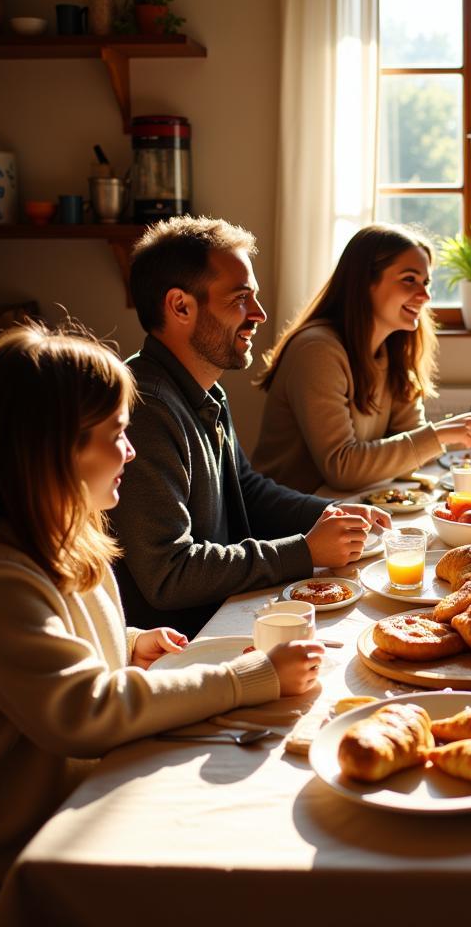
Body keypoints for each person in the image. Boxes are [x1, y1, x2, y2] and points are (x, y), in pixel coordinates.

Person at [0, 324, 324, 922]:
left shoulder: (65, 539)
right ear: (54, 449)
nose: (130, 452)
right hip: (19, 859)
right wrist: (249, 676)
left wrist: (130, 643)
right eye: (116, 435)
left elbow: (73, 643)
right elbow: (83, 711)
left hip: (83, 803)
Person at [110, 216, 389, 638]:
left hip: (226, 612)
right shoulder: (145, 409)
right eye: (240, 298)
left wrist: (330, 514)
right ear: (181, 306)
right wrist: (304, 551)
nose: (259, 314)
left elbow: (247, 491)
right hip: (184, 646)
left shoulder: (205, 392)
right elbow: (168, 573)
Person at [252, 223, 471, 493]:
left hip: (345, 506)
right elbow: (342, 469)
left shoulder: (393, 349)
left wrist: (431, 439)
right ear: (364, 282)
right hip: (292, 517)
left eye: (426, 282)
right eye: (409, 279)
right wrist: (438, 435)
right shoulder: (317, 350)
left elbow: (408, 461)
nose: (425, 295)